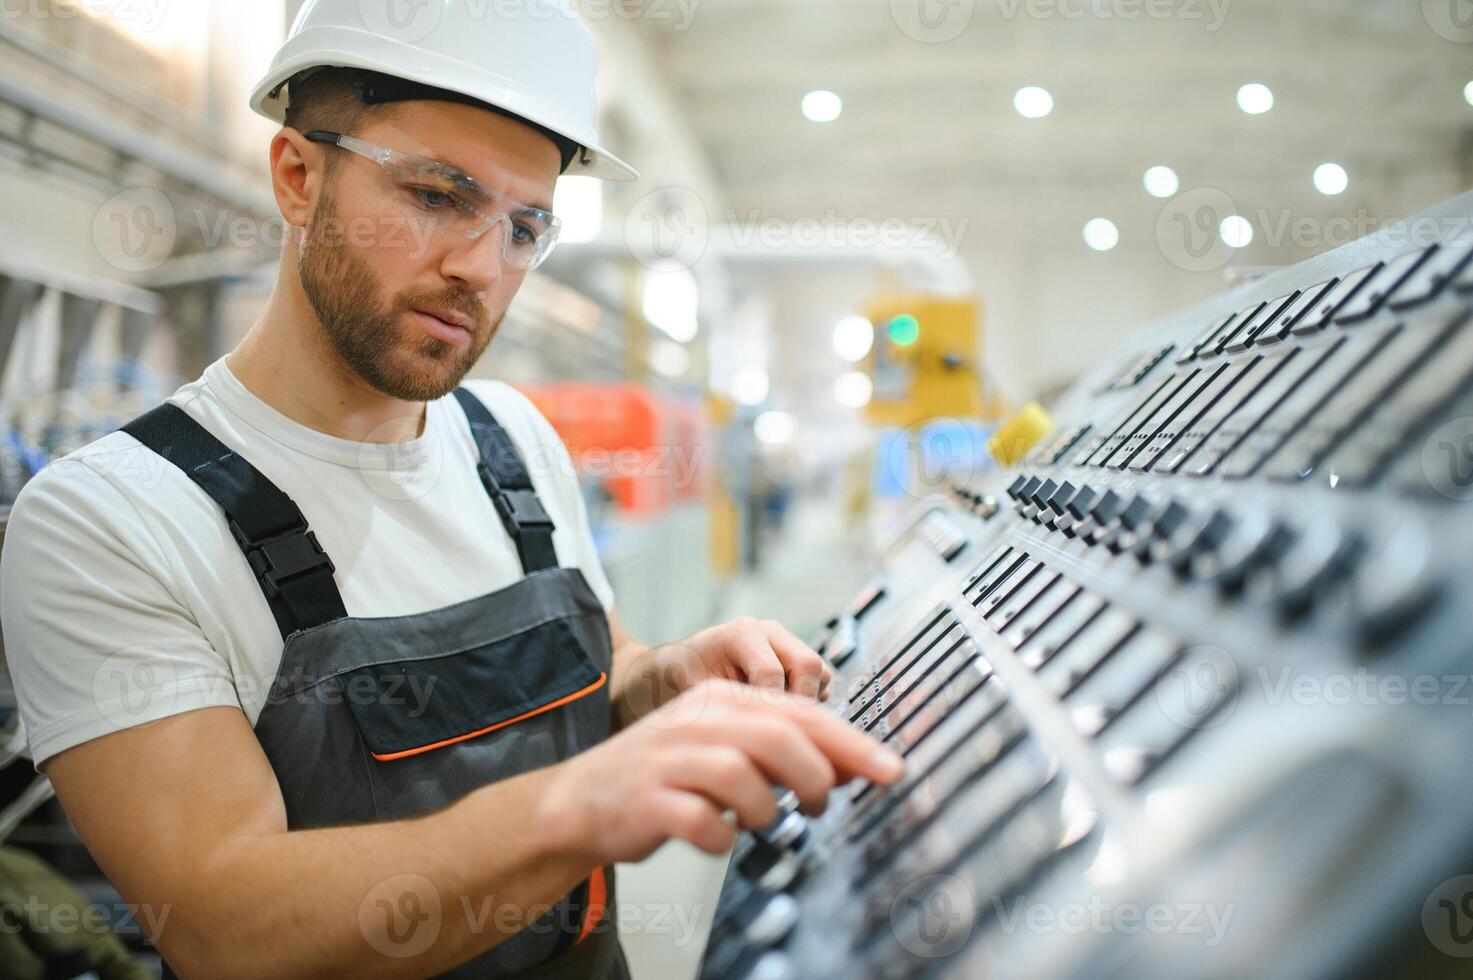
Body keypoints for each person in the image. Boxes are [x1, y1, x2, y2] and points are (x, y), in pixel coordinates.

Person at [0, 2, 905, 977]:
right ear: (298, 176)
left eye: (525, 227)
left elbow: (603, 657)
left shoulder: (512, 436)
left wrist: (658, 679)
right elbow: (225, 919)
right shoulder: (113, 519)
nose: (482, 268)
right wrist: (573, 808)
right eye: (436, 195)